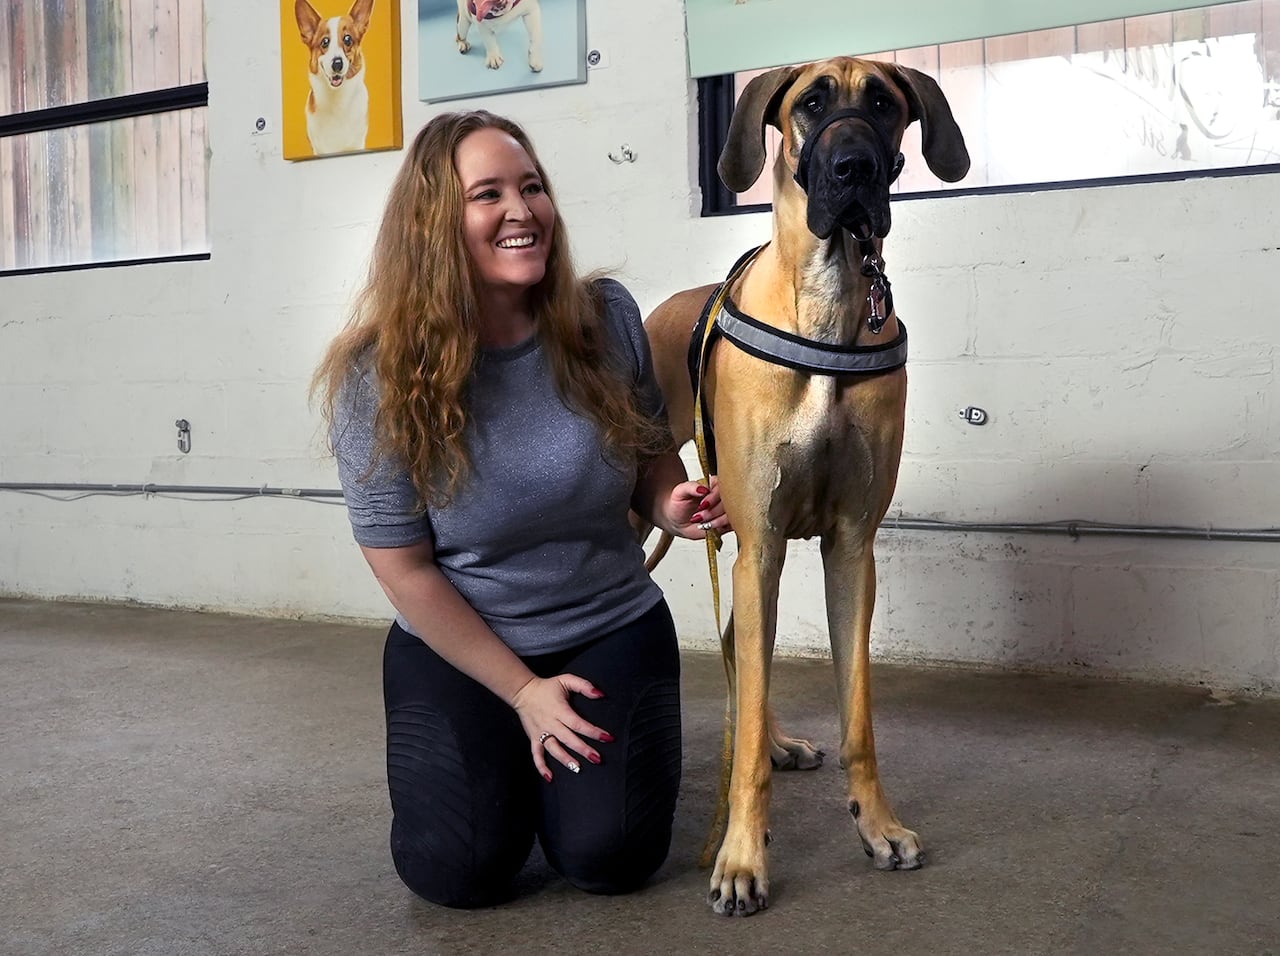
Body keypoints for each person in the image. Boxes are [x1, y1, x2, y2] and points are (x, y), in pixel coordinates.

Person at [311, 109, 729, 908]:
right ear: (434, 224)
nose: (521, 210)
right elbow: (404, 571)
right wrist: (522, 692)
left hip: (607, 622)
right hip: (461, 643)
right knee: (457, 874)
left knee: (610, 858)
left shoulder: (604, 320)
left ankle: (561, 786)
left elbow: (647, 455)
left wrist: (671, 502)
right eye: (488, 194)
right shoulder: (378, 374)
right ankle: (510, 755)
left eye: (531, 187)